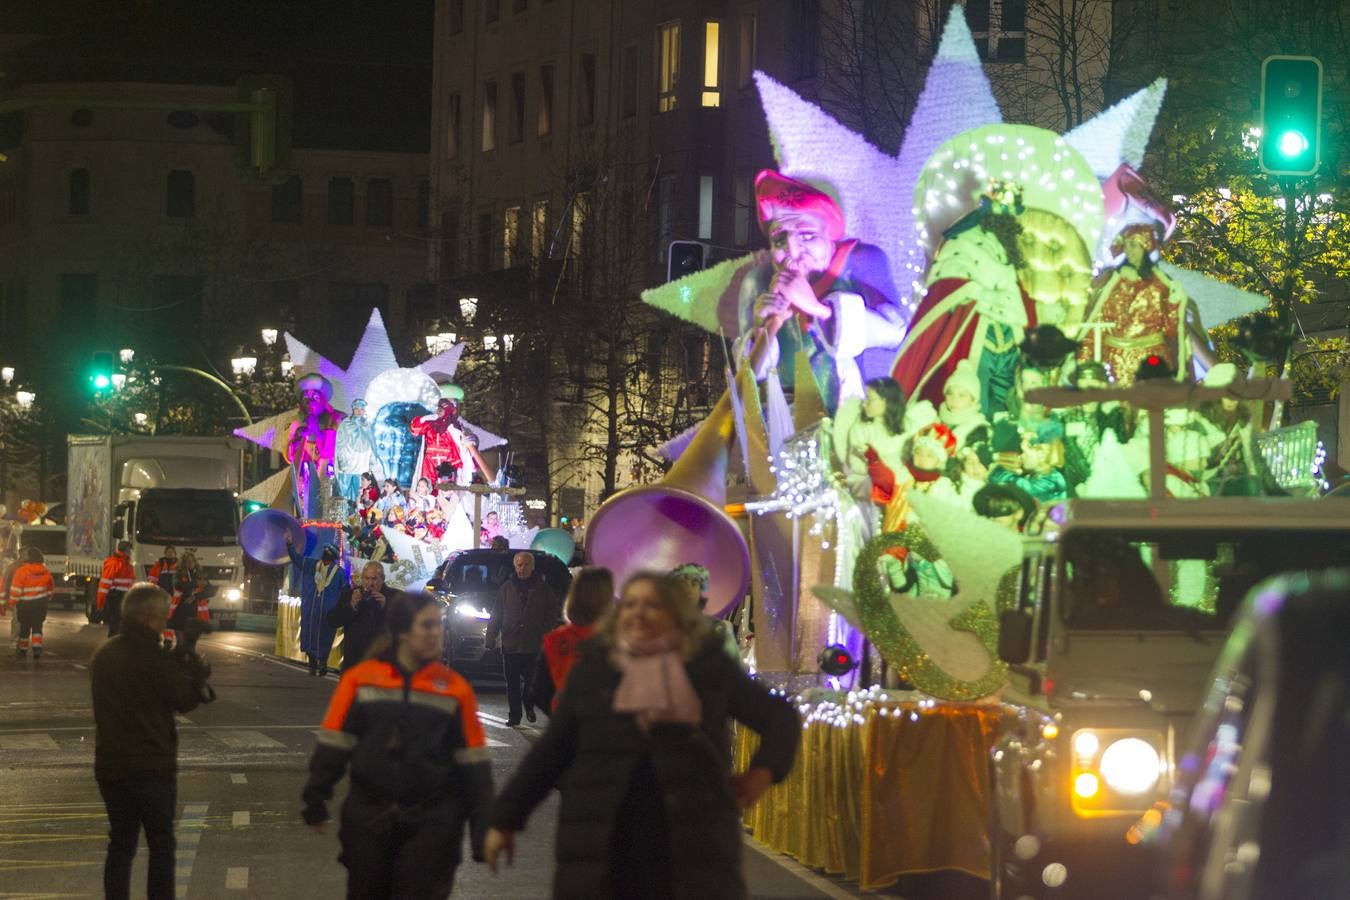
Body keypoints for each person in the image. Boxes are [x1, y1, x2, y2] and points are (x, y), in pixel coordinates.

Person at [484, 573, 800, 899]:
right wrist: (506, 819)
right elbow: (550, 752)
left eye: (652, 605)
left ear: (675, 613)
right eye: (630, 603)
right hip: (602, 836)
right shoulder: (594, 669)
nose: (638, 612)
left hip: (693, 838)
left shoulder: (707, 668)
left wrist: (760, 774)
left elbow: (780, 718)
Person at [302, 592, 494, 899]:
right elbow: (335, 743)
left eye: (439, 625)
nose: (436, 633)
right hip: (369, 820)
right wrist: (315, 798)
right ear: (403, 632)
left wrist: (484, 827)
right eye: (427, 625)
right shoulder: (361, 680)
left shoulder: (454, 688)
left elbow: (475, 766)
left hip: (432, 824)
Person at [738, 170, 904, 412]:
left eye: (807, 235)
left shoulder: (859, 262)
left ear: (830, 236)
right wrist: (761, 330)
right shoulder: (758, 281)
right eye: (780, 241)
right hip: (780, 417)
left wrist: (819, 309)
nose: (793, 251)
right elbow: (746, 376)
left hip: (843, 413)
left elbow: (897, 333)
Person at [91, 583, 210, 900]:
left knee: (120, 844)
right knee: (161, 846)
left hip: (111, 765)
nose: (164, 624)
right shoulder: (153, 659)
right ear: (147, 619)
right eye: (161, 618)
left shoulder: (105, 654)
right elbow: (182, 700)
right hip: (151, 766)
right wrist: (196, 675)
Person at [485, 552, 561, 726]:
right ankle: (515, 715)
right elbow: (496, 614)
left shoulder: (543, 589)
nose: (522, 568)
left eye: (526, 565)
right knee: (512, 683)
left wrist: (545, 632)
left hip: (533, 645)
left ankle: (528, 702)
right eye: (519, 565)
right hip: (510, 644)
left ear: (532, 567)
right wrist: (491, 637)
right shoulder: (506, 588)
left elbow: (551, 613)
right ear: (515, 566)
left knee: (530, 682)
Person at [530, 567, 613, 716]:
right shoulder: (618, 642)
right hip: (606, 729)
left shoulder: (555, 640)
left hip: (564, 721)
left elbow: (539, 691)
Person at [287, 537, 348, 676]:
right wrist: (290, 544)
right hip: (311, 610)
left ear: (332, 556)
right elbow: (296, 559)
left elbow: (345, 590)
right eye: (325, 552)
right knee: (309, 636)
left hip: (327, 613)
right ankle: (312, 664)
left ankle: (323, 663)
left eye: (329, 552)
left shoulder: (338, 573)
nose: (326, 554)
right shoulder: (311, 565)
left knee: (325, 639)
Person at [326, 561, 401, 673]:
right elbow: (332, 620)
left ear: (383, 578)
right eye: (367, 579)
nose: (370, 583)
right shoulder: (350, 595)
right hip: (355, 663)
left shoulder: (396, 597)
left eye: (374, 579)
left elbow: (406, 626)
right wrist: (351, 605)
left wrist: (386, 607)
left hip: (384, 664)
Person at [286, 373, 343, 519]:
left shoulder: (334, 420)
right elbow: (291, 456)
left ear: (323, 401)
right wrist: (298, 439)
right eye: (306, 398)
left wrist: (316, 431)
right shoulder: (297, 424)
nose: (310, 402)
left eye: (315, 397)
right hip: (305, 480)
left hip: (327, 478)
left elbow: (329, 451)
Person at [669, 563, 741, 662]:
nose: (688, 589)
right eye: (682, 582)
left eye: (694, 583)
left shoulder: (718, 629)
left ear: (700, 590)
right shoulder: (660, 629)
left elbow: (734, 669)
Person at [334, 399, 385, 504]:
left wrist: (373, 458)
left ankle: (358, 514)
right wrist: (342, 458)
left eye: (362, 409)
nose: (359, 411)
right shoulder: (346, 424)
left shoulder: (367, 424)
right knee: (345, 489)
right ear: (353, 409)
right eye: (357, 408)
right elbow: (340, 442)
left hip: (362, 462)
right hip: (348, 461)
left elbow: (372, 442)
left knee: (360, 489)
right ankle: (344, 512)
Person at [8, 546, 54, 658]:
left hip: (25, 605)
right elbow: (50, 587)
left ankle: (23, 650)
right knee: (38, 627)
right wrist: (46, 598)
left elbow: (16, 589)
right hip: (40, 605)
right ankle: (37, 648)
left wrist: (12, 602)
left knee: (25, 627)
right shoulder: (45, 571)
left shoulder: (21, 571)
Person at [165, 551, 206, 648]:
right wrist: (195, 583)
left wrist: (196, 596)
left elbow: (210, 590)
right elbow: (178, 585)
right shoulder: (178, 573)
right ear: (183, 563)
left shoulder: (200, 573)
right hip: (180, 611)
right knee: (180, 643)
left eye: (192, 561)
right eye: (187, 561)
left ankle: (189, 661)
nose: (190, 563)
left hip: (195, 613)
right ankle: (180, 661)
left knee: (192, 645)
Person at [96, 540, 136, 638]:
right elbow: (104, 585)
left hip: (123, 596)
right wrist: (100, 603)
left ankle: (115, 642)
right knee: (116, 623)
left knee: (120, 623)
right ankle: (112, 644)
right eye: (130, 550)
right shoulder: (114, 563)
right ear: (126, 551)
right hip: (116, 596)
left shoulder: (126, 564)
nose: (130, 552)